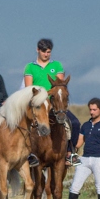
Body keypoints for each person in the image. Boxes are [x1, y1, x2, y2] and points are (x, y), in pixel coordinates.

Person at [24, 38, 81, 166]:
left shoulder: (57, 66)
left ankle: (70, 153)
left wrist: (52, 95)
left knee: (75, 123)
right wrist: (42, 96)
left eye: (48, 52)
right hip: (37, 103)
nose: (46, 54)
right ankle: (28, 154)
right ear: (38, 50)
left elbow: (59, 85)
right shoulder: (30, 67)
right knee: (24, 125)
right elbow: (28, 88)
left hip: (54, 103)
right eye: (44, 51)